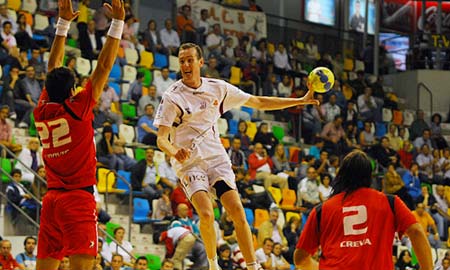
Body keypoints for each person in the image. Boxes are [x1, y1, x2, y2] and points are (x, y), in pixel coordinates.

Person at [155, 42, 319, 270]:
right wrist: (175, 151)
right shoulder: (172, 96)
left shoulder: (218, 88)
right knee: (205, 213)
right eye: (182, 61)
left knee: (238, 212)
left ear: (200, 63)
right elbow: (161, 139)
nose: (185, 65)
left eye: (190, 60)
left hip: (216, 159)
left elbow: (258, 102)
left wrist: (300, 101)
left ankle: (252, 267)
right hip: (189, 163)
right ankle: (213, 264)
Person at [33, 0, 125, 269]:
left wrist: (62, 26)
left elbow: (53, 69)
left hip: (51, 200)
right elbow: (104, 67)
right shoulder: (78, 109)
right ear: (72, 91)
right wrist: (117, 22)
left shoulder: (42, 110)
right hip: (77, 199)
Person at [294, 150, 433, 270]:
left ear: (341, 175)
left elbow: (300, 259)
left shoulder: (322, 210)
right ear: (370, 176)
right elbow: (416, 232)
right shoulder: (390, 203)